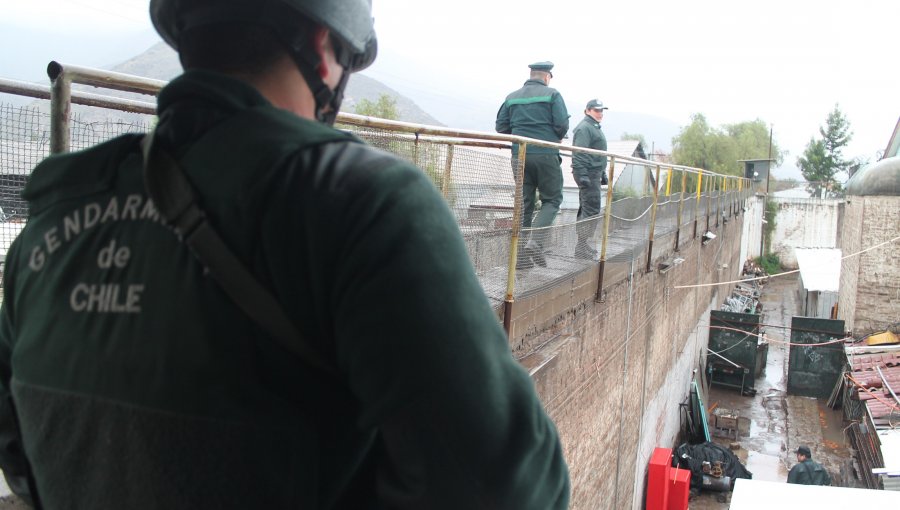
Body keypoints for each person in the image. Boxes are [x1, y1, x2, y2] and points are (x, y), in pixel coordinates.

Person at [0, 1, 570, 509]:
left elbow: (19, 447)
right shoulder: (362, 203)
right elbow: (508, 487)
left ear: (185, 38)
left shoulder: (51, 218)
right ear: (326, 52)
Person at [496, 61, 569, 268]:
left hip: (519, 156)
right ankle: (535, 242)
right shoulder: (553, 95)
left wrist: (521, 133)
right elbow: (562, 125)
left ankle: (520, 259)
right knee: (552, 200)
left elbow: (501, 127)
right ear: (547, 76)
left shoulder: (511, 97)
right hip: (545, 155)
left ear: (531, 74)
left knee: (524, 205)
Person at [571, 99, 609, 259]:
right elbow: (579, 152)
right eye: (596, 110)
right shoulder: (584, 128)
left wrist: (603, 172)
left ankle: (582, 244)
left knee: (588, 208)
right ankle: (580, 246)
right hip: (588, 173)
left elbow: (597, 152)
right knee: (591, 209)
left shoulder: (593, 127)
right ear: (587, 110)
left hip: (594, 172)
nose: (600, 113)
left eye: (601, 110)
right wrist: (583, 174)